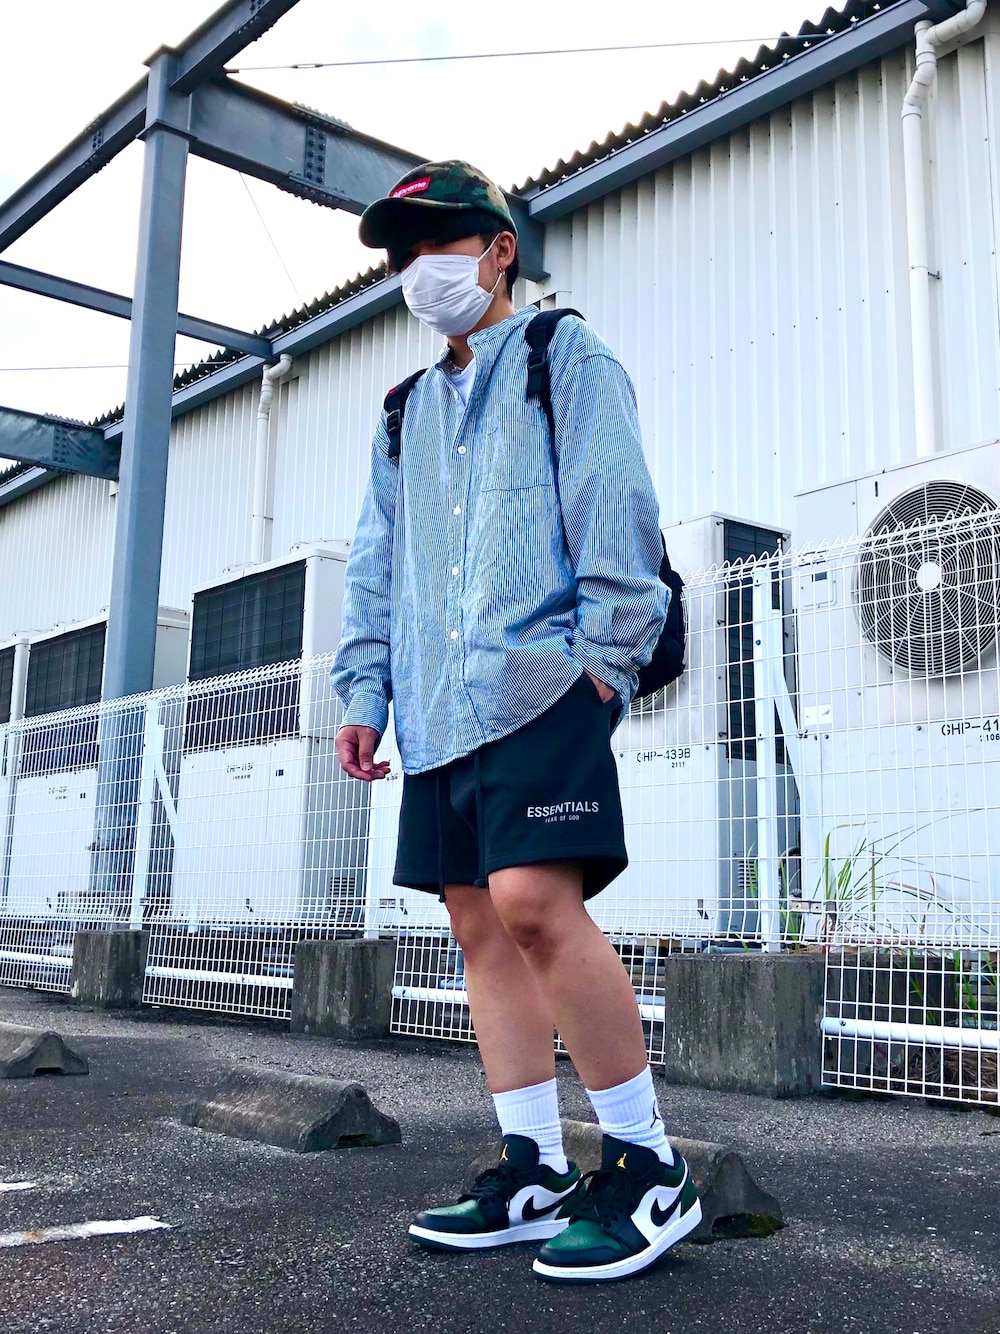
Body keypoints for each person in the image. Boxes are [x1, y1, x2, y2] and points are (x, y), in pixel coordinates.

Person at [332, 160, 701, 1284]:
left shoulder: (560, 355)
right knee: (478, 927)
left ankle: (647, 1164)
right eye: (402, 253)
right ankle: (534, 1165)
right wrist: (365, 692)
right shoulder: (402, 411)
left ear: (499, 251)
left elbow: (615, 504)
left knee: (536, 903)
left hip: (541, 683)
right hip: (436, 706)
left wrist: (603, 664)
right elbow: (377, 563)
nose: (418, 270)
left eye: (438, 244)